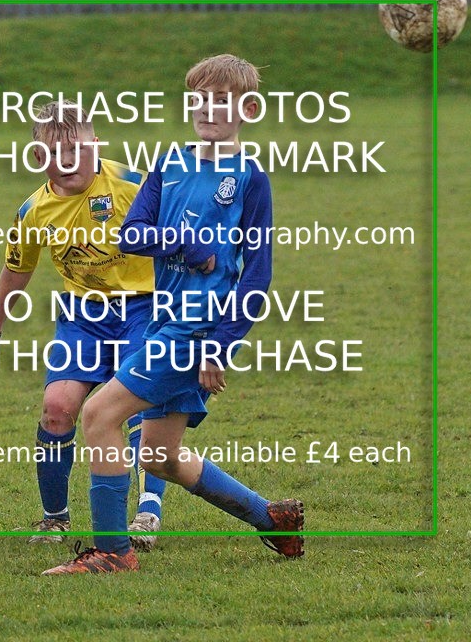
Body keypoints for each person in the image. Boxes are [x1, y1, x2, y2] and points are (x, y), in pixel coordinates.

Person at [42, 55, 304, 575]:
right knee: (159, 456)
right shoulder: (167, 165)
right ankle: (272, 519)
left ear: (247, 109)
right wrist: (185, 243)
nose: (208, 108)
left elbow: (257, 276)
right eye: (199, 98)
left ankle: (113, 553)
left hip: (196, 329)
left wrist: (219, 345)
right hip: (162, 320)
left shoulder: (252, 180)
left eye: (221, 100)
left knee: (98, 416)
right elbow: (131, 235)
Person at [0, 101, 165, 550]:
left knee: (135, 405)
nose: (68, 161)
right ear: (40, 158)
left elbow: (184, 233)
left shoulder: (133, 185)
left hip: (144, 308)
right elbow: (16, 270)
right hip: (84, 316)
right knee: (57, 407)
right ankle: (54, 519)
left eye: (77, 150)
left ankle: (148, 511)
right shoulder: (33, 211)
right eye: (55, 153)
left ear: (94, 144)